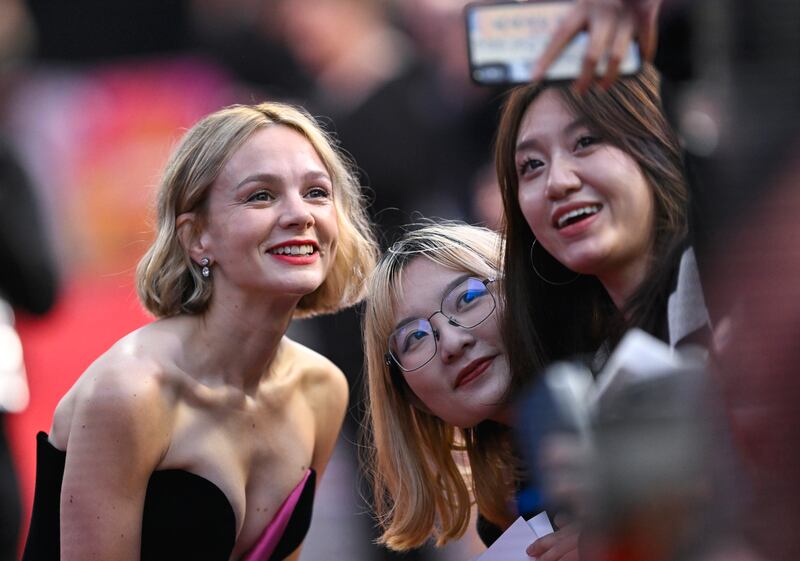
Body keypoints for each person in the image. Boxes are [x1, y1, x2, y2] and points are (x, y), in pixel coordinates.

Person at [21, 101, 378, 561]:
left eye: (316, 192)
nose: (300, 214)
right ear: (197, 238)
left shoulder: (322, 388)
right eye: (261, 196)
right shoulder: (130, 392)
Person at [493, 63, 710, 559]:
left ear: (656, 140)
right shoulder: (588, 367)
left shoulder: (724, 283)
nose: (558, 182)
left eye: (586, 142)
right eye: (530, 166)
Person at [362, 222, 526, 552]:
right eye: (416, 338)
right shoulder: (507, 527)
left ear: (522, 289)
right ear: (413, 399)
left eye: (467, 298)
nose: (452, 343)